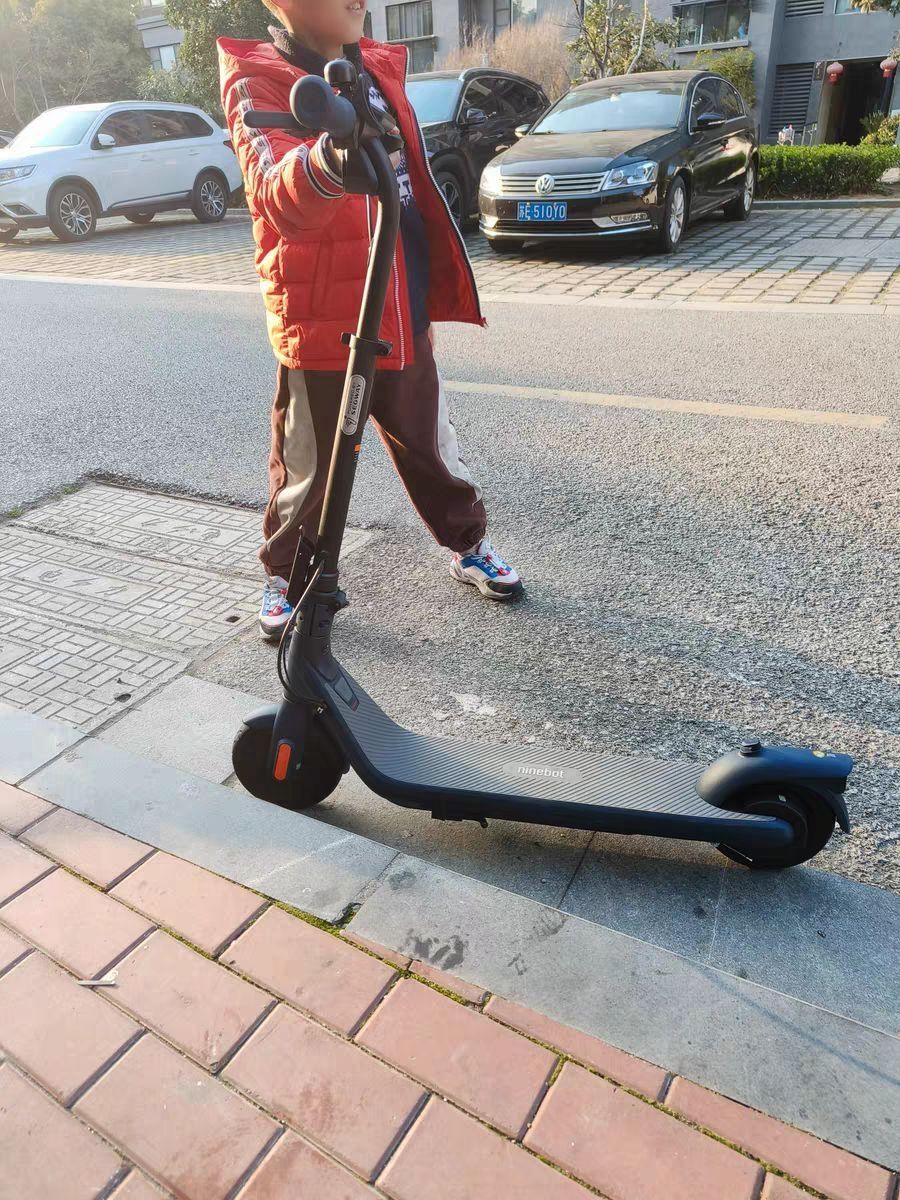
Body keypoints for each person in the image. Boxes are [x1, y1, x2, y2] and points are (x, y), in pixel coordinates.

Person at [218, 1, 523, 640]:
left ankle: (467, 543)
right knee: (309, 467)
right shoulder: (258, 79)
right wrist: (326, 160)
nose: (360, 1)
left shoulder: (378, 70)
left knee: (431, 443)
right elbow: (274, 192)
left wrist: (426, 293)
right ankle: (288, 577)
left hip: (401, 298)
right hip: (321, 316)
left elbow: (410, 189)